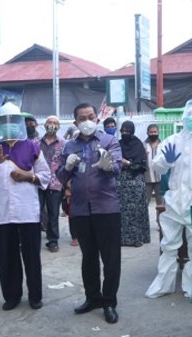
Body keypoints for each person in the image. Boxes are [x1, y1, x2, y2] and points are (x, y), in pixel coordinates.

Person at [0, 102, 51, 311]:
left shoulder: (32, 147)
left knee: (31, 256)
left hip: (28, 211)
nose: (9, 125)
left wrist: (28, 176)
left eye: (13, 120)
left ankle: (35, 296)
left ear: (20, 122)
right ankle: (12, 296)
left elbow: (45, 175)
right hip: (2, 213)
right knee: (6, 256)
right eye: (4, 121)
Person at [145, 99, 192, 299]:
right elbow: (157, 166)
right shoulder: (173, 140)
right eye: (189, 116)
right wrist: (167, 161)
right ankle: (164, 284)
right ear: (184, 118)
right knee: (168, 244)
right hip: (175, 199)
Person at [56, 103, 122, 324]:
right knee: (89, 257)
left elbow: (118, 168)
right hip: (81, 209)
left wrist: (108, 166)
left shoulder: (109, 141)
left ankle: (109, 302)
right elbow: (60, 177)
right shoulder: (69, 146)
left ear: (97, 119)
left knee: (111, 258)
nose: (87, 121)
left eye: (91, 116)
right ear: (75, 122)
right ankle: (92, 297)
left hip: (106, 208)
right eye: (82, 118)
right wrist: (66, 168)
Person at [118, 120, 150, 247]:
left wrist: (129, 164)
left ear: (132, 131)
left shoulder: (138, 145)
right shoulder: (118, 144)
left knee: (136, 210)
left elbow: (142, 165)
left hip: (135, 181)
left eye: (128, 131)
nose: (125, 133)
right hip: (121, 182)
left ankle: (137, 238)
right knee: (121, 210)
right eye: (123, 131)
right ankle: (122, 239)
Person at [39, 115, 66, 252]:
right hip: (37, 182)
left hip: (55, 183)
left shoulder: (63, 143)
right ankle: (33, 239)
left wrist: (67, 186)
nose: (52, 125)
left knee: (53, 213)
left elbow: (66, 164)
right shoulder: (36, 143)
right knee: (35, 212)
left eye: (55, 123)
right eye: (49, 122)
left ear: (59, 126)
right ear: (45, 125)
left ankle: (53, 240)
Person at [143, 124, 163, 207]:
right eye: (151, 132)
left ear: (158, 132)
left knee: (161, 203)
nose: (153, 134)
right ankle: (144, 220)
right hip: (147, 178)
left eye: (155, 132)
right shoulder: (143, 145)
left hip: (160, 178)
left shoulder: (163, 144)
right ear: (147, 133)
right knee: (144, 202)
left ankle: (160, 220)